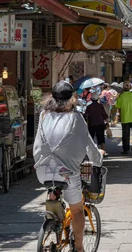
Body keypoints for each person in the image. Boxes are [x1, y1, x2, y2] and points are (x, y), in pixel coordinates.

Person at [33, 81, 104, 252]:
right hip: (66, 173)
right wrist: (98, 159)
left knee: (53, 187)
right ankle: (79, 248)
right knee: (77, 211)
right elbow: (89, 144)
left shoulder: (43, 115)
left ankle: (53, 220)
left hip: (42, 170)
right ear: (72, 97)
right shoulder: (76, 118)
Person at [115, 81, 132, 154]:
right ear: (130, 87)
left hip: (125, 118)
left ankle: (126, 149)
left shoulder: (120, 96)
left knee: (125, 134)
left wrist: (120, 115)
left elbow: (119, 108)